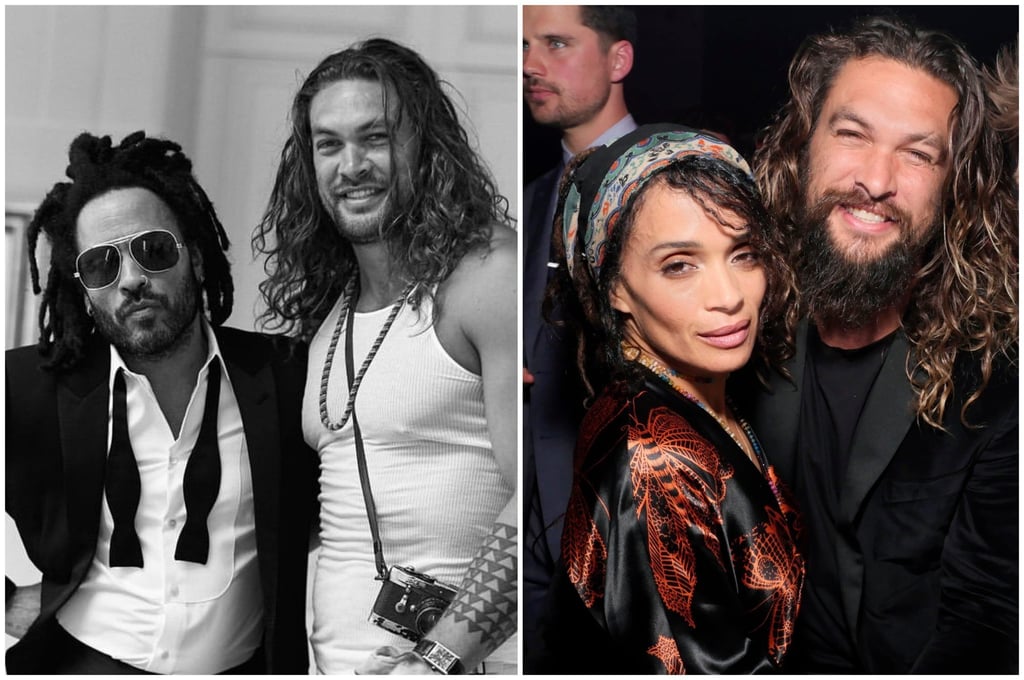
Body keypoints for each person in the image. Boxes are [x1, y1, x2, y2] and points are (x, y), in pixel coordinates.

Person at [752, 15, 1018, 673]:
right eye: (852, 133)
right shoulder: (737, 325)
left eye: (919, 153)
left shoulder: (994, 376)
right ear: (803, 143)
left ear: (955, 186)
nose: (876, 179)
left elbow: (989, 613)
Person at [5, 131, 317, 674]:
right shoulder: (28, 385)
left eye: (153, 250)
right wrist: (7, 599)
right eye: (102, 265)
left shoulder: (287, 376)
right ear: (83, 288)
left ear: (194, 258)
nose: (131, 281)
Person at [253, 38, 517, 674]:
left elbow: (542, 491)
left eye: (375, 137)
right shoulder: (331, 315)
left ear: (423, 145)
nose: (352, 165)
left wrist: (438, 658)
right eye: (329, 144)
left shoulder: (484, 278)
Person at [533, 124, 804, 673]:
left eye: (744, 254)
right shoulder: (655, 459)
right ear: (613, 285)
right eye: (679, 265)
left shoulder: (691, 400)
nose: (729, 297)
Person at [520, 5, 638, 658]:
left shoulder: (672, 179)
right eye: (525, 47)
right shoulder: (535, 193)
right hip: (525, 529)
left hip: (624, 526)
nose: (530, 66)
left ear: (618, 60)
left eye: (556, 44)